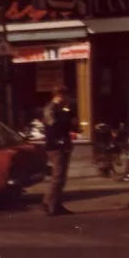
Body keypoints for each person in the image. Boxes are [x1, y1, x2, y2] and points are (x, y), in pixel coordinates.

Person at [42, 86, 76, 216]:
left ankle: (56, 203)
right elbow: (53, 126)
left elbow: (70, 125)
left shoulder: (62, 109)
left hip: (63, 145)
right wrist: (67, 117)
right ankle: (49, 203)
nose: (68, 99)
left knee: (61, 177)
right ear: (60, 95)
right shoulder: (51, 108)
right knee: (58, 175)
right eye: (66, 96)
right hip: (56, 146)